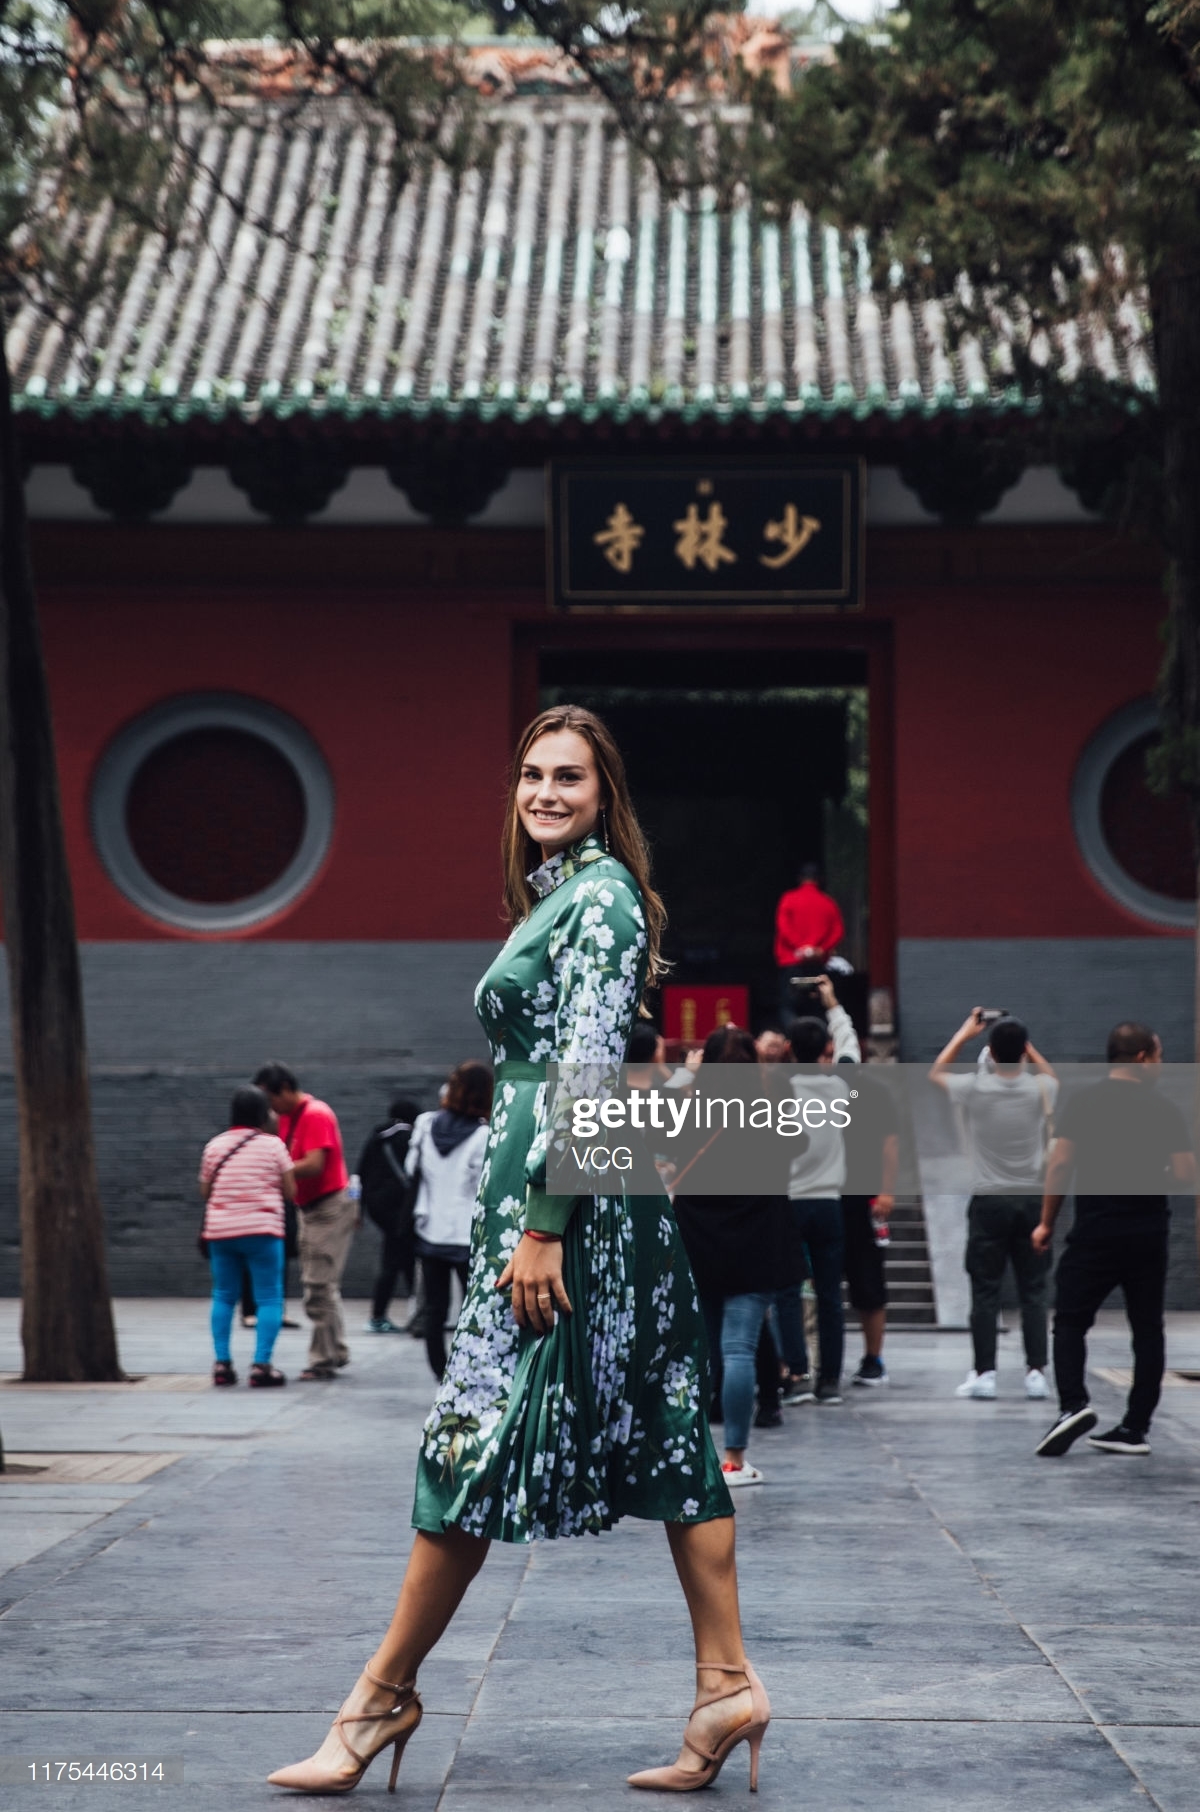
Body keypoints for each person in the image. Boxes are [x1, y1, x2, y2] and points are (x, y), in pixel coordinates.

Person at [267, 706, 767, 1797]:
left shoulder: (597, 898)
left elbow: (587, 1070)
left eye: (569, 777)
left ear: (605, 794)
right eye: (532, 774)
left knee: (473, 1432)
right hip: (580, 1192)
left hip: (567, 1204)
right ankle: (725, 1684)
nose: (544, 791)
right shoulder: (567, 895)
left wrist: (543, 1223)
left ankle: (378, 1699)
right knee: (666, 1417)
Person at [1033, 1022, 1196, 1458]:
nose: (1161, 1065)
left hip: (1096, 1231)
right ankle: (1135, 1427)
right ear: (1143, 1057)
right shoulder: (1164, 1109)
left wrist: (1046, 1223)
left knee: (1070, 1320)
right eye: (1159, 1056)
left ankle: (1073, 1406)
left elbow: (1060, 1165)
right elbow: (1184, 1173)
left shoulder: (1084, 1102)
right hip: (1147, 1233)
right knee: (1147, 1329)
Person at [672, 1026, 806, 1487]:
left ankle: (692, 1453)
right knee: (739, 1348)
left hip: (699, 1241)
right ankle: (733, 1458)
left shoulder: (689, 1108)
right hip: (756, 1240)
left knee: (703, 1351)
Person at [932, 1010, 1058, 1402]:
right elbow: (1052, 1076)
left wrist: (964, 1033)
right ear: (1022, 1051)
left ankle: (984, 1373)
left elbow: (936, 1073)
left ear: (990, 1051)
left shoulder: (976, 1088)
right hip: (1032, 1200)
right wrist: (1028, 1048)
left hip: (989, 1199)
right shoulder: (1040, 1089)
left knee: (985, 1291)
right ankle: (1036, 1372)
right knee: (1034, 1290)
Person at [775, 976, 859, 1405]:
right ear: (824, 1050)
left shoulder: (778, 1089)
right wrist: (833, 1004)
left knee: (788, 1292)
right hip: (829, 1204)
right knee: (830, 1295)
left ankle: (797, 1373)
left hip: (789, 1204)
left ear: (790, 1049)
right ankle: (830, 1381)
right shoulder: (839, 1085)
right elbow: (850, 1047)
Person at [255, 1062, 354, 1383]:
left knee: (318, 1287)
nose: (270, 1108)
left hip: (327, 1208)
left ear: (284, 1090)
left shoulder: (315, 1114)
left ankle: (322, 1360)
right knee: (323, 1283)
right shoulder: (286, 1117)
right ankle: (335, 1350)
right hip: (310, 1209)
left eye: (271, 1099)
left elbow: (314, 1164)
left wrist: (278, 1169)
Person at [199, 1086, 296, 1388]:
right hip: (262, 1231)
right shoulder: (273, 1146)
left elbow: (205, 1190)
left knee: (224, 1295)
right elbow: (291, 1191)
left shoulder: (215, 1146)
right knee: (268, 1296)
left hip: (221, 1232)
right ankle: (261, 1366)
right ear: (261, 1113)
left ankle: (222, 1364)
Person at [406, 1062, 493, 1381]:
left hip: (430, 1230)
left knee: (434, 1311)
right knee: (475, 1311)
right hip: (467, 1235)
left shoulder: (425, 1124)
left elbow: (411, 1169)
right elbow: (485, 1186)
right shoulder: (484, 1134)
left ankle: (442, 1376)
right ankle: (471, 1374)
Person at [842, 1067, 902, 1387]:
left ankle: (873, 1357)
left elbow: (890, 1142)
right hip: (825, 1194)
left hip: (865, 1196)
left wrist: (887, 1190)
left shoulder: (873, 1091)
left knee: (869, 1281)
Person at [358, 1096, 422, 1334]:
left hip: (380, 1210)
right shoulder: (410, 1138)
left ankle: (401, 1314)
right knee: (399, 1262)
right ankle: (387, 1315)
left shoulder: (377, 1137)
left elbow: (361, 1172)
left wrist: (361, 1209)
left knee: (401, 1260)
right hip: (403, 1210)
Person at [773, 861, 844, 1028]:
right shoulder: (828, 903)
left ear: (800, 879)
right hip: (817, 964)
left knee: (788, 1005)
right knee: (817, 1006)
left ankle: (793, 1039)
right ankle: (818, 1040)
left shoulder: (789, 899)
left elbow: (783, 927)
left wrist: (800, 947)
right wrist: (820, 949)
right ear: (819, 880)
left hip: (793, 962)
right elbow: (838, 931)